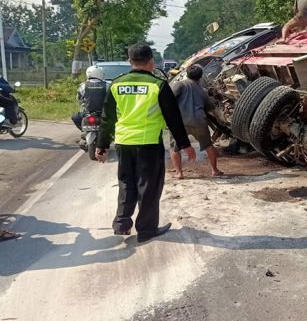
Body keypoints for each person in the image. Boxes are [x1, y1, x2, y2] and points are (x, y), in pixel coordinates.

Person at [96, 44, 196, 243]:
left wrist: (103, 144)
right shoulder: (158, 85)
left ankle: (122, 224)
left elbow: (107, 118)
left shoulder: (116, 84)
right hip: (148, 144)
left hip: (123, 143)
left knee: (126, 183)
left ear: (130, 62)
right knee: (148, 187)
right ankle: (146, 229)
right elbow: (173, 118)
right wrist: (185, 144)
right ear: (151, 61)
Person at [169, 64, 223, 178]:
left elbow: (169, 99)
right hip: (199, 121)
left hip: (180, 122)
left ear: (187, 73)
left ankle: (179, 173)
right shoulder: (202, 91)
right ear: (200, 76)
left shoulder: (179, 84)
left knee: (175, 147)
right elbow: (210, 108)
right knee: (208, 145)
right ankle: (214, 170)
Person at [71, 66, 108, 131]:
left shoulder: (83, 85)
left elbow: (78, 99)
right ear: (101, 74)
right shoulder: (107, 85)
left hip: (88, 113)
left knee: (75, 117)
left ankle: (83, 130)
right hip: (103, 113)